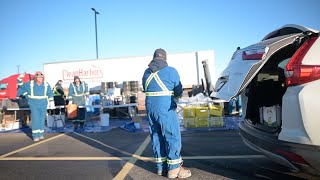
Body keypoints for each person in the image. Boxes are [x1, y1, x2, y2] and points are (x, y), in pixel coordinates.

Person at [142, 48, 191, 178]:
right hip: (165, 108)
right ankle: (174, 169)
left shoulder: (146, 72)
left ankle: (161, 168)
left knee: (156, 136)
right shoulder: (171, 71)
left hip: (150, 108)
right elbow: (179, 91)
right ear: (165, 58)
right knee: (172, 135)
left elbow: (145, 88)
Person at [17, 71, 54, 142]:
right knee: (35, 118)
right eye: (38, 77)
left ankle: (40, 133)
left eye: (41, 77)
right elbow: (21, 87)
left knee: (42, 118)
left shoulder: (46, 84)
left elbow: (49, 93)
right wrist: (20, 79)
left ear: (43, 77)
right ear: (35, 77)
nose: (39, 78)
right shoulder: (30, 84)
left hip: (43, 103)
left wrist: (51, 101)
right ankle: (35, 135)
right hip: (34, 103)